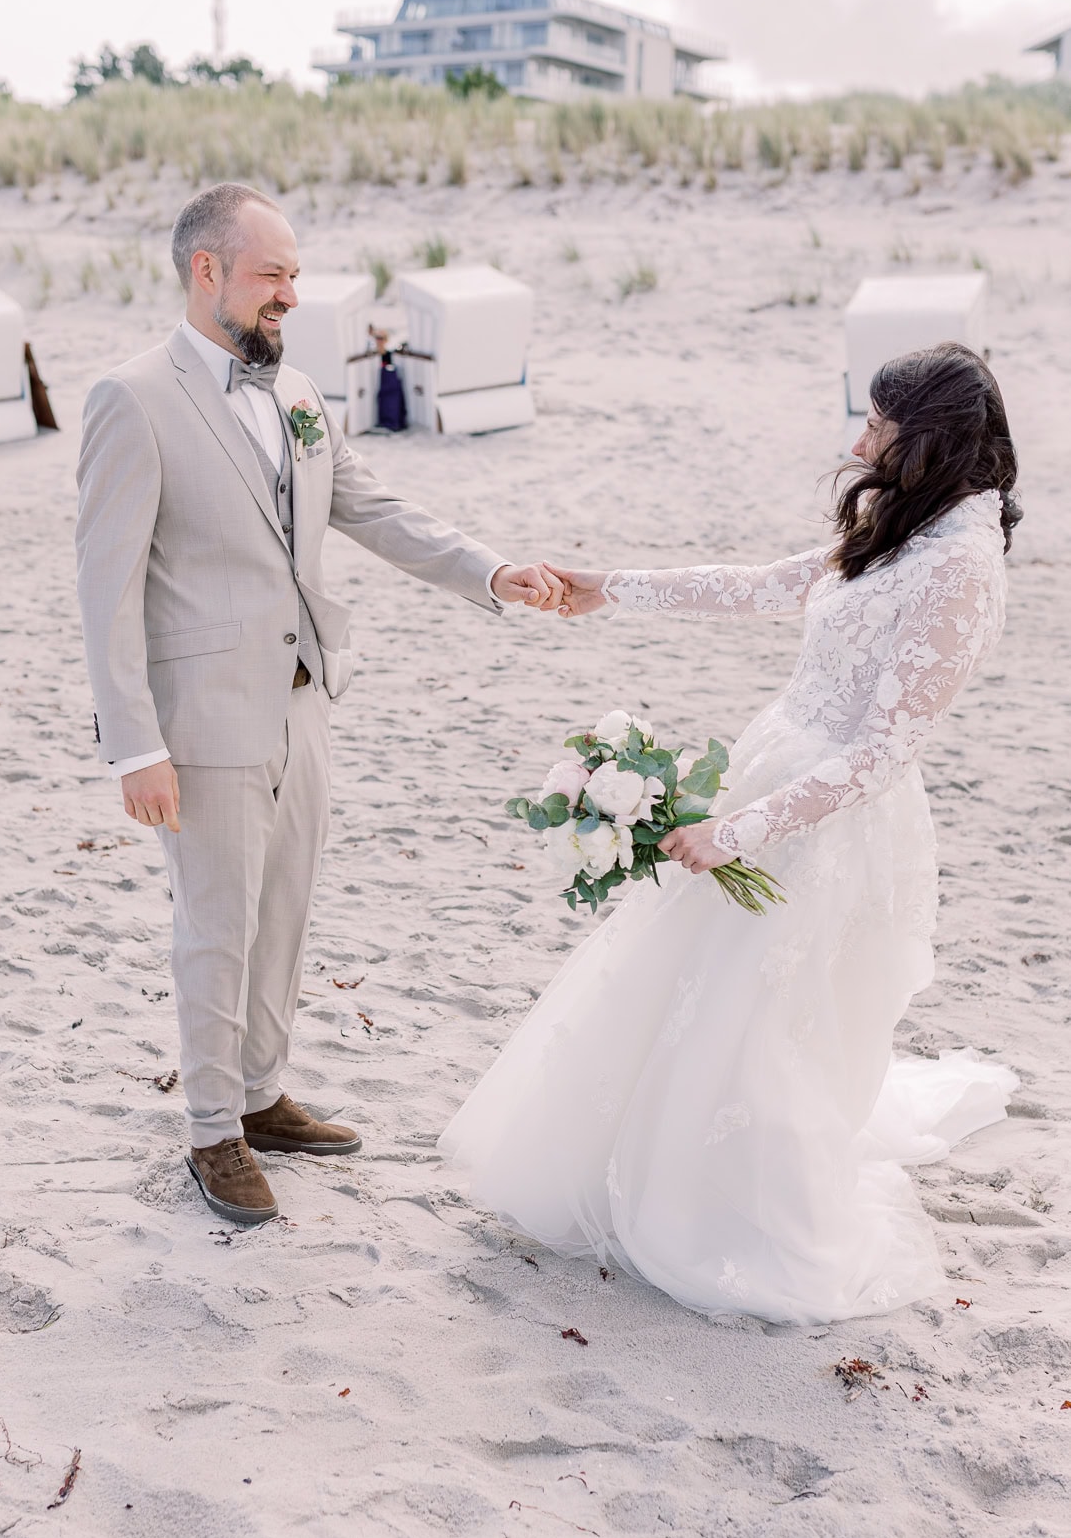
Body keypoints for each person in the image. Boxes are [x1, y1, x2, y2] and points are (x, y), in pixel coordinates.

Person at [439, 343, 1022, 1325]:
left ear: (929, 438)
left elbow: (881, 753)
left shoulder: (962, 566)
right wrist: (609, 587)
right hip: (777, 767)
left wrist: (742, 828)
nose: (859, 441)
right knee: (692, 990)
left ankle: (735, 1208)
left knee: (761, 1018)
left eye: (876, 426)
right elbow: (770, 583)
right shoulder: (902, 517)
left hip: (827, 821)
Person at [76, 182, 561, 1227]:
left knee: (283, 913)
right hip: (200, 722)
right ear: (206, 272)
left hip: (303, 701)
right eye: (273, 275)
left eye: (295, 274)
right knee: (216, 926)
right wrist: (133, 749)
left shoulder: (295, 390)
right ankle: (212, 1130)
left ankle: (260, 1094)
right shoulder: (133, 398)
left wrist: (493, 571)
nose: (291, 293)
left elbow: (369, 506)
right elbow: (105, 587)